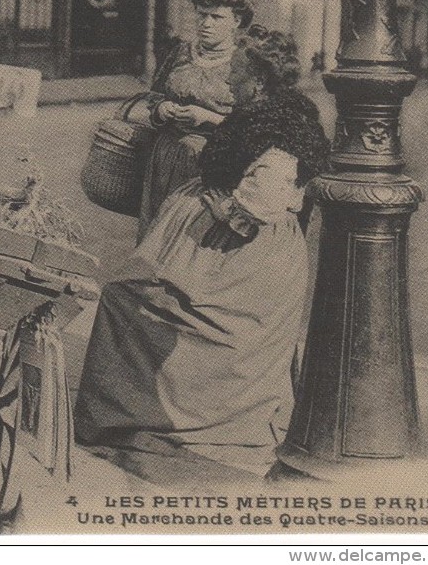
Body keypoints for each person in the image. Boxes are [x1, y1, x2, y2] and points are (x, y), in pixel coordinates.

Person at [74, 27, 331, 480]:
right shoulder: (261, 113)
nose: (228, 83)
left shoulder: (283, 126)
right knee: (129, 295)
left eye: (236, 75)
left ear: (260, 81)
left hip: (240, 259)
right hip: (224, 251)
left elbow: (264, 202)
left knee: (126, 303)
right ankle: (136, 409)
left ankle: (148, 416)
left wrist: (224, 209)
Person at [127, 0, 254, 239]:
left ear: (236, 22)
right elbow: (154, 95)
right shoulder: (180, 53)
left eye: (217, 17)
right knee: (156, 235)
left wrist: (207, 117)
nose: (205, 24)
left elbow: (253, 125)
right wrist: (162, 108)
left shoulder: (245, 64)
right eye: (201, 15)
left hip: (211, 167)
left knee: (191, 240)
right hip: (164, 159)